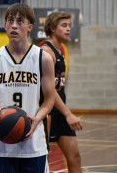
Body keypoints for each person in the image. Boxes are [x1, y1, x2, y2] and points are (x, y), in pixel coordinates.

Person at [0, 3, 55, 173]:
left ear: (30, 27)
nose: (14, 25)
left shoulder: (43, 59)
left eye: (20, 21)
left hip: (34, 144)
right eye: (10, 20)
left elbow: (50, 99)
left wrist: (37, 118)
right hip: (3, 145)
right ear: (5, 26)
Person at [40, 12, 83, 173]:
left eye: (69, 26)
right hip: (46, 113)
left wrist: (64, 112)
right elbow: (49, 89)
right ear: (52, 28)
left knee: (75, 156)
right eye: (64, 25)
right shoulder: (46, 51)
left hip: (60, 111)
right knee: (41, 162)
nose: (68, 29)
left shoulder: (61, 50)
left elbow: (58, 86)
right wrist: (68, 114)